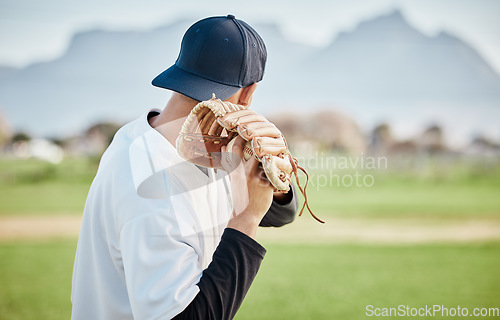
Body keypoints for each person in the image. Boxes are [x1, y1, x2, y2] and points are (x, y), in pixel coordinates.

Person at [71, 14, 298, 319]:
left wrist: (272, 178)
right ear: (248, 94)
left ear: (180, 74)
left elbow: (280, 213)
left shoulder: (183, 143)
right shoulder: (152, 187)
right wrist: (246, 218)